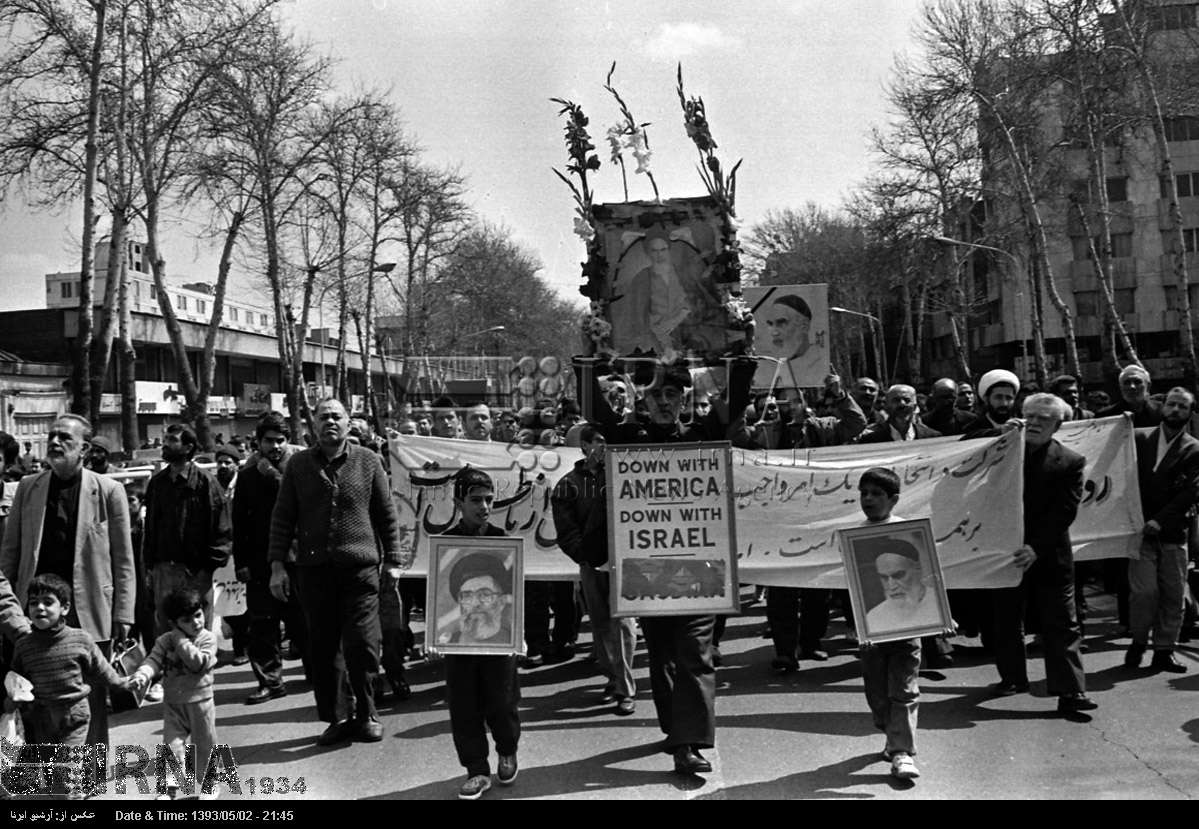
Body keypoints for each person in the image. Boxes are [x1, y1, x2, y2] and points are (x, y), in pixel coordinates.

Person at [582, 354, 755, 776]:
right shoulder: (627, 439)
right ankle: (675, 728)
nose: (664, 402)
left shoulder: (701, 434)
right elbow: (595, 412)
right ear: (644, 398)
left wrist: (741, 358)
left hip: (701, 569)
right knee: (662, 657)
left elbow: (731, 407)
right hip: (647, 571)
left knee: (696, 653)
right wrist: (587, 366)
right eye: (656, 394)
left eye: (672, 394)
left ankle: (689, 743)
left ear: (683, 399)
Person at [268, 398, 405, 746]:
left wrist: (393, 561)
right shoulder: (299, 465)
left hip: (360, 571)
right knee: (324, 649)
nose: (330, 422)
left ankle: (368, 713)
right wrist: (277, 566)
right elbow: (282, 519)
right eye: (323, 417)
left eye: (336, 416)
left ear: (348, 423)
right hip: (314, 573)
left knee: (362, 644)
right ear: (313, 424)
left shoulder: (368, 461)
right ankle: (337, 717)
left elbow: (386, 515)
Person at [0, 413, 135, 749]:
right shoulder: (28, 489)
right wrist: (12, 610)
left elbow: (124, 561)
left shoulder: (109, 491)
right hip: (38, 612)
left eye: (64, 437)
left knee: (90, 700)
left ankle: (89, 777)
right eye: (52, 436)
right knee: (37, 699)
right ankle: (50, 776)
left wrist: (123, 615)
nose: (55, 442)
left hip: (89, 612)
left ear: (84, 448)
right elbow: (11, 555)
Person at [988, 393, 1097, 715]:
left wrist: (1036, 547)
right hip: (1005, 551)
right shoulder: (1002, 449)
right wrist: (999, 435)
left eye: (1043, 419)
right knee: (1006, 618)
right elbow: (961, 451)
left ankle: (1070, 691)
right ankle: (1012, 678)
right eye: (1029, 416)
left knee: (1061, 622)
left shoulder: (1070, 461)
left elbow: (1065, 511)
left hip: (1049, 554)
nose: (1034, 423)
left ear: (1058, 425)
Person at [10, 573, 128, 797]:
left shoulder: (80, 639)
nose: (40, 608)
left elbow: (102, 670)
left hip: (75, 715)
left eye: (48, 602)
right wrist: (12, 698)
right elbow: (17, 678)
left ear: (64, 608)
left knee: (66, 772)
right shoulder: (24, 646)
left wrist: (123, 684)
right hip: (42, 717)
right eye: (34, 603)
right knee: (54, 776)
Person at [442, 467, 521, 800]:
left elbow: (518, 594)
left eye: (489, 500)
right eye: (476, 500)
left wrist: (520, 633)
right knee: (464, 707)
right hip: (461, 652)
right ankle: (476, 770)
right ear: (459, 502)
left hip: (500, 647)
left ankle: (507, 748)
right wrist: (437, 638)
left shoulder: (503, 540)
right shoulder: (444, 543)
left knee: (502, 703)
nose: (485, 506)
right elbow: (436, 605)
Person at [552, 425, 637, 715]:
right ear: (585, 446)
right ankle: (614, 678)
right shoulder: (568, 485)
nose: (605, 447)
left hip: (626, 562)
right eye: (599, 441)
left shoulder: (626, 476)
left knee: (623, 622)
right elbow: (566, 532)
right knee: (601, 625)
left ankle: (625, 690)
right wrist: (587, 557)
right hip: (593, 566)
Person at [850, 467, 924, 780]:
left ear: (893, 500)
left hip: (909, 628)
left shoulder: (911, 533)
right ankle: (890, 732)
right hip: (873, 629)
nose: (868, 499)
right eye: (864, 493)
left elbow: (930, 575)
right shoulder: (854, 536)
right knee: (878, 693)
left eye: (876, 494)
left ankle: (902, 752)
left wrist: (942, 617)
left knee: (904, 688)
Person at [233, 411, 306, 705]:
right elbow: (239, 522)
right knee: (263, 625)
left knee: (305, 621)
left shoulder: (300, 470)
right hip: (260, 562)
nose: (275, 446)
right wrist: (241, 564)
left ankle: (316, 673)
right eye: (269, 441)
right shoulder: (247, 476)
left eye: (280, 440)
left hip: (300, 558)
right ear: (258, 442)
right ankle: (270, 681)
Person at [1126, 388, 1199, 673]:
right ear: (1163, 407)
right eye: (1171, 404)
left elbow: (1191, 492)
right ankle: (1138, 641)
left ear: (1190, 413)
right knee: (1144, 592)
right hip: (1139, 529)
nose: (1175, 410)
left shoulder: (1194, 448)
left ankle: (1164, 650)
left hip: (1172, 530)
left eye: (1182, 406)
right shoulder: (1139, 437)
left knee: (1172, 593)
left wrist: (1162, 520)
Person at [130, 586, 220, 800]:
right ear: (175, 623)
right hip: (173, 703)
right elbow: (153, 659)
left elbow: (197, 663)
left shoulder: (208, 639)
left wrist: (180, 640)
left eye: (198, 616)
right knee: (171, 747)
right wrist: (143, 674)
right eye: (187, 620)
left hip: (201, 702)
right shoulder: (165, 640)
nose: (196, 623)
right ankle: (168, 790)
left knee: (204, 745)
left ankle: (210, 784)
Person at [142, 424, 231, 638]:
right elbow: (151, 528)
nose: (165, 444)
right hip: (164, 570)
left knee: (198, 633)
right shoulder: (157, 483)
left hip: (196, 572)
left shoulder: (205, 483)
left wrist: (206, 570)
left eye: (172, 440)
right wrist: (151, 568)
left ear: (188, 446)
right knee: (166, 633)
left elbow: (222, 529)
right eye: (165, 439)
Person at [861, 539, 943, 632]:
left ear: (918, 568)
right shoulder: (873, 618)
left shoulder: (941, 604)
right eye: (884, 578)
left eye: (898, 575)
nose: (891, 586)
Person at [446, 553, 514, 645]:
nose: (475, 603)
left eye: (485, 595)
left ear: (501, 602)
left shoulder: (513, 642)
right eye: (467, 596)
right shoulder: (447, 643)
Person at [760, 294, 824, 389]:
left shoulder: (819, 364)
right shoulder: (767, 368)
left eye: (781, 323)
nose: (774, 332)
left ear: (804, 325)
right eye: (770, 324)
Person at [858, 385, 942, 444]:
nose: (902, 404)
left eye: (907, 400)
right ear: (886, 406)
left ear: (915, 406)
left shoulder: (932, 438)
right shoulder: (870, 439)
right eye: (896, 400)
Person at [1097, 365, 1162, 426]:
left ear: (1148, 386)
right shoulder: (1105, 416)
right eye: (1127, 383)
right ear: (1120, 387)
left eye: (1137, 382)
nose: (1132, 387)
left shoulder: (1162, 411)